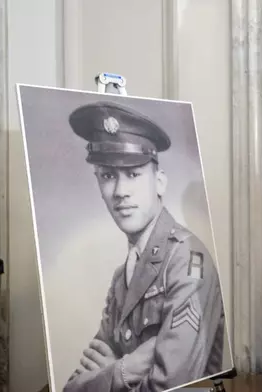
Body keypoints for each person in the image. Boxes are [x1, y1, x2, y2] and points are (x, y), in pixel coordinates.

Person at [62, 101, 226, 392]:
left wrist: (113, 373)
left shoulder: (188, 261)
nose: (121, 192)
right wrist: (124, 370)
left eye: (134, 174)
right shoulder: (121, 277)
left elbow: (174, 385)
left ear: (160, 182)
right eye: (108, 176)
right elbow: (74, 386)